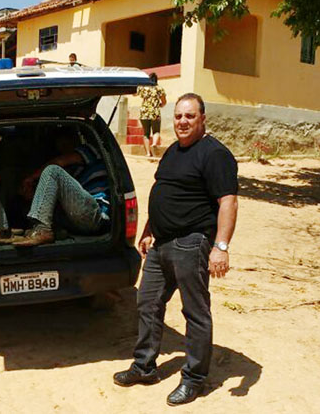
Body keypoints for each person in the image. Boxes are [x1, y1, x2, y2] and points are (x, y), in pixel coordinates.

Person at [113, 93, 238, 407]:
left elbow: (228, 201)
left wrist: (221, 247)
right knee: (147, 302)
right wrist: (148, 229)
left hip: (191, 243)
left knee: (195, 311)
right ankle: (144, 367)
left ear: (202, 118)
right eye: (179, 116)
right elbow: (163, 191)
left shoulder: (214, 154)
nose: (183, 121)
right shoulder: (172, 150)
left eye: (190, 116)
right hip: (161, 245)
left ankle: (194, 379)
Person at [13, 127, 109, 247]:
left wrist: (31, 178)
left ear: (75, 140)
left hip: (94, 214)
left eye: (66, 143)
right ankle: (44, 230)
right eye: (60, 145)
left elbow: (59, 162)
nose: (64, 148)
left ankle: (42, 230)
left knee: (52, 170)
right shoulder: (71, 172)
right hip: (74, 221)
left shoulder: (90, 150)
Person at [136, 73, 167, 157]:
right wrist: (160, 105)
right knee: (156, 131)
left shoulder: (143, 88)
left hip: (144, 112)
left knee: (146, 134)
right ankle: (154, 143)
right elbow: (164, 101)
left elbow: (134, 93)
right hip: (154, 112)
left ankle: (148, 153)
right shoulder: (159, 89)